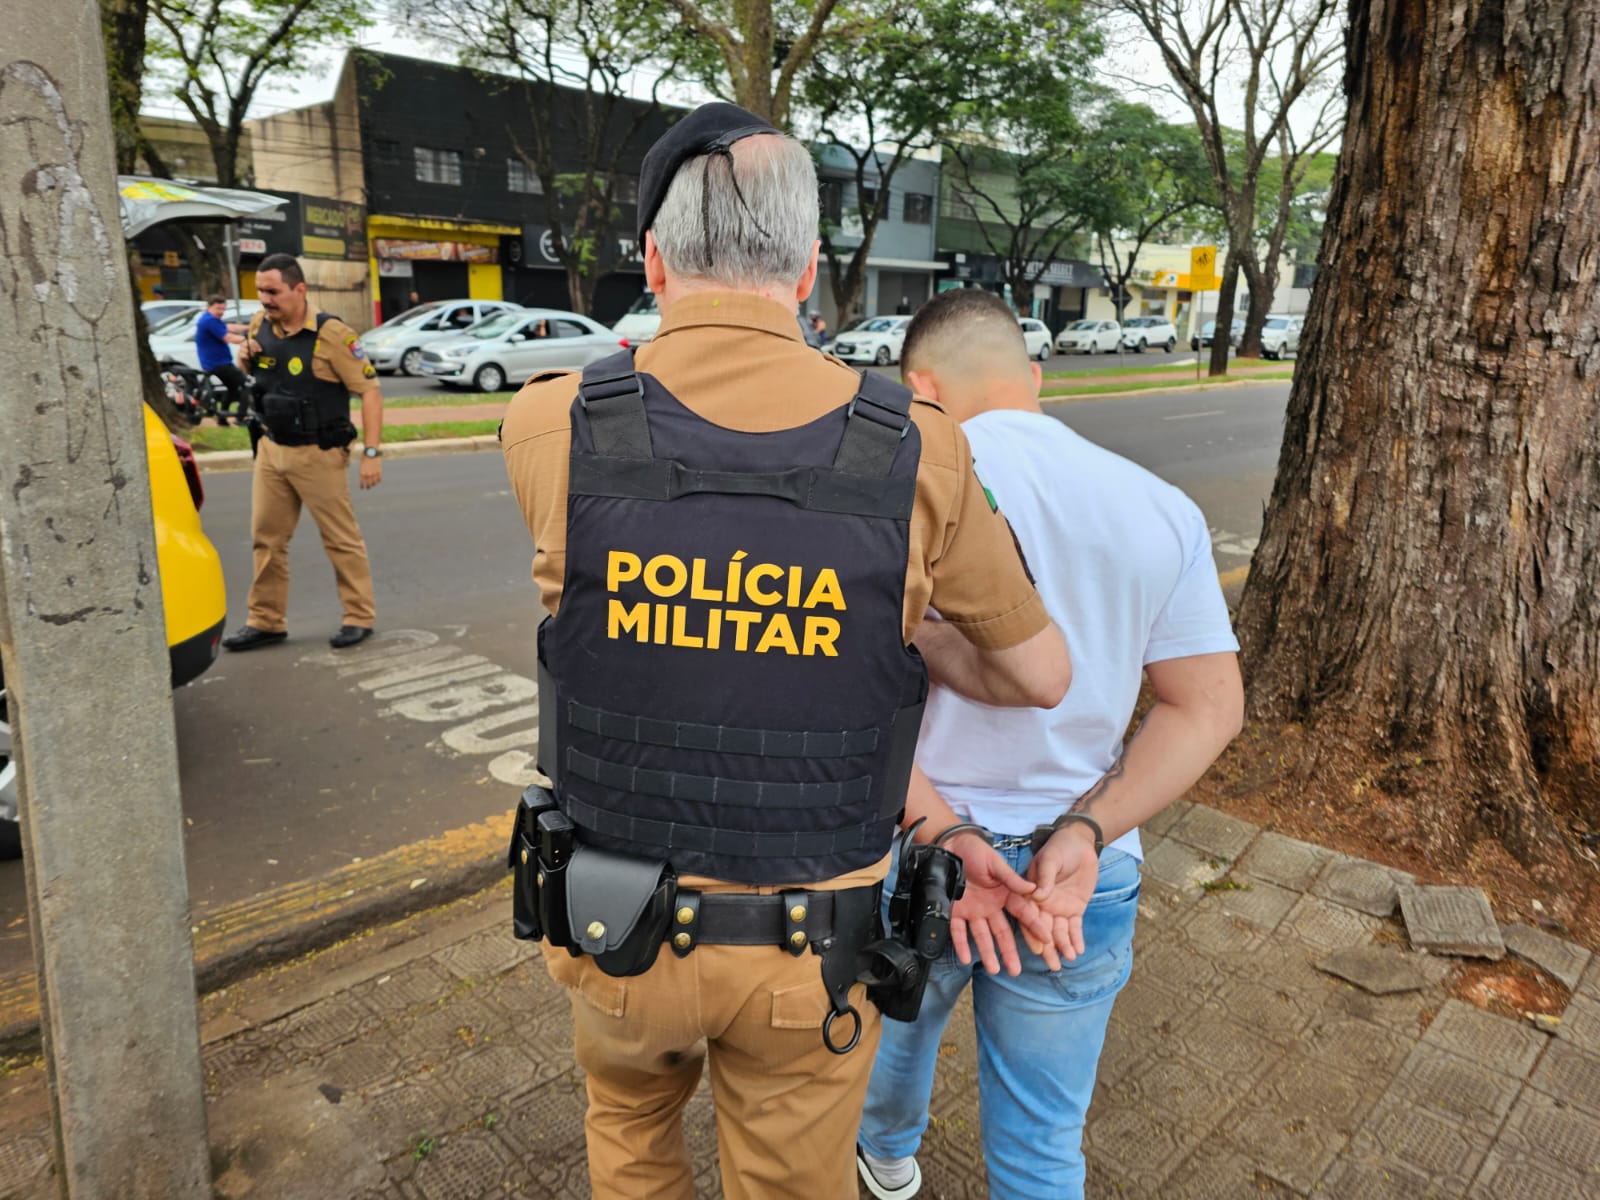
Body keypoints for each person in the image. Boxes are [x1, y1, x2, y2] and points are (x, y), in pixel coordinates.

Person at [499, 103, 1072, 1200]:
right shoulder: (919, 449)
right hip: (808, 954)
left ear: (655, 263)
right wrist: (889, 622)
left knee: (626, 1139)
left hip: (613, 927)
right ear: (809, 268)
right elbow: (1039, 676)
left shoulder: (547, 422)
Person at [855, 288, 1245, 1200]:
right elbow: (1208, 708)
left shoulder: (886, 492)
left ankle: (887, 1163)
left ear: (920, 387)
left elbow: (842, 704)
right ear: (1034, 378)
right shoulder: (1160, 507)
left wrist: (946, 828)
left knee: (886, 1056)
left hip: (915, 851)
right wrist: (1084, 831)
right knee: (1041, 1146)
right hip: (1072, 883)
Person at [221, 253, 384, 653]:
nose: (265, 299)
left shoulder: (333, 335)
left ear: (299, 289)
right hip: (271, 450)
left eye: (273, 291)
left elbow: (370, 392)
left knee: (341, 540)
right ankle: (266, 621)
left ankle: (358, 616)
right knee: (266, 539)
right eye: (260, 291)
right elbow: (257, 375)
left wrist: (372, 452)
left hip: (318, 455)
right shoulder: (261, 324)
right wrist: (244, 359)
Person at [194, 294, 249, 424]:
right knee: (247, 385)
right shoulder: (209, 321)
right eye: (218, 309)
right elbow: (228, 337)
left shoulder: (210, 319)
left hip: (217, 363)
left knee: (233, 389)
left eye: (223, 309)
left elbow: (229, 327)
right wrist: (249, 341)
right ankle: (241, 417)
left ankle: (222, 419)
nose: (221, 312)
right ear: (209, 307)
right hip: (218, 364)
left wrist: (249, 327)